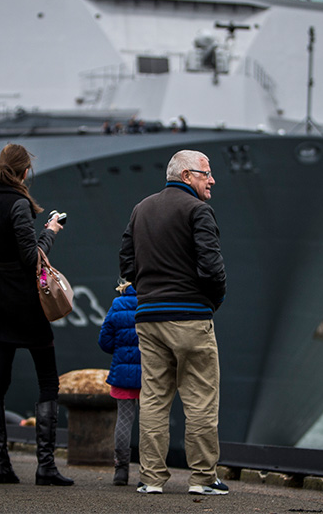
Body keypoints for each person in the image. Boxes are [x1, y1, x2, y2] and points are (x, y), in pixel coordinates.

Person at [0, 120, 73, 487]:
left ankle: (1, 465)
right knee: (48, 380)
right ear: (25, 172)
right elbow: (32, 259)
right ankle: (45, 466)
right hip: (26, 301)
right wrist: (51, 231)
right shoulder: (18, 206)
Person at [119, 149, 228, 495]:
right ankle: (203, 478)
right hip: (190, 318)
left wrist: (147, 292)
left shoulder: (141, 209)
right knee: (200, 400)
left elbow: (126, 262)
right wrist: (211, 302)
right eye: (205, 173)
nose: (211, 180)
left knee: (153, 398)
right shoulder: (198, 211)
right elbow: (212, 267)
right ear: (186, 176)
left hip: (148, 320)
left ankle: (151, 479)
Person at [97, 281, 141, 486]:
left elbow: (104, 340)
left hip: (122, 370)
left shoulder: (118, 304)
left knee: (124, 418)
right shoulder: (152, 301)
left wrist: (121, 350)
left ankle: (121, 471)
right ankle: (152, 470)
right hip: (151, 372)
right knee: (153, 419)